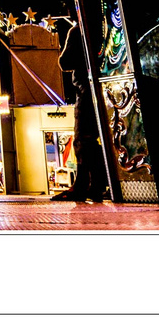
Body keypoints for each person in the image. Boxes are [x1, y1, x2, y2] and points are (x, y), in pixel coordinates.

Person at [55, 21, 111, 203]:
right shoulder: (105, 28)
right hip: (108, 89)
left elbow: (65, 62)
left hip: (85, 90)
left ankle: (83, 184)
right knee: (97, 138)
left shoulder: (78, 30)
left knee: (82, 138)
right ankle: (98, 184)